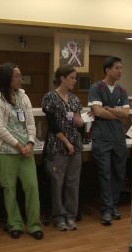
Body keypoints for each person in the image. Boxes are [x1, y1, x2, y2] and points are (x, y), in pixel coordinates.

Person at [0, 63, 44, 240]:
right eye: (17, 76)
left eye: (21, 76)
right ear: (7, 78)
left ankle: (34, 225)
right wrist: (19, 145)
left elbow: (30, 122)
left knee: (32, 187)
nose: (21, 79)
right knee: (10, 189)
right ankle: (15, 223)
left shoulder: (24, 97)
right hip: (5, 151)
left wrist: (29, 142)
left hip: (26, 150)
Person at [88, 56, 130, 226]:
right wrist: (117, 113)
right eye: (117, 68)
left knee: (118, 173)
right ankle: (106, 209)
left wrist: (108, 109)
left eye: (121, 67)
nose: (120, 71)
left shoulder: (122, 90)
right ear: (108, 70)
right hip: (102, 138)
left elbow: (127, 114)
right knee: (105, 173)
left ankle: (114, 206)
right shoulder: (96, 88)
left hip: (118, 138)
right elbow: (97, 112)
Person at [42, 65, 84, 231]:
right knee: (57, 182)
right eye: (72, 78)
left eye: (75, 78)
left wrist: (80, 122)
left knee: (73, 183)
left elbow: (78, 121)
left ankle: (70, 215)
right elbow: (52, 124)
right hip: (58, 146)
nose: (75, 81)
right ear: (62, 78)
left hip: (76, 145)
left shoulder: (75, 100)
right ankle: (59, 216)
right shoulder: (50, 98)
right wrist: (67, 143)